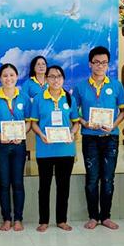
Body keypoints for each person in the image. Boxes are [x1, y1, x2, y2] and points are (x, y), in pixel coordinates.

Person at [72, 46, 124, 230]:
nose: (100, 66)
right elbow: (73, 112)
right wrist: (84, 123)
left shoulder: (116, 85)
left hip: (110, 137)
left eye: (104, 63)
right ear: (90, 64)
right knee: (92, 178)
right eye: (96, 62)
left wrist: (114, 125)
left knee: (108, 178)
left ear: (108, 64)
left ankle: (106, 216)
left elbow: (123, 111)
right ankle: (93, 216)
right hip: (90, 138)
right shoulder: (80, 87)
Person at [30, 65, 80, 232]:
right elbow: (34, 123)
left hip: (66, 150)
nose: (55, 79)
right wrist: (41, 135)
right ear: (46, 79)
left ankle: (61, 220)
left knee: (63, 186)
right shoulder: (39, 98)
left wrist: (72, 133)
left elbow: (76, 122)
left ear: (63, 79)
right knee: (44, 187)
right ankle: (43, 220)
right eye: (51, 76)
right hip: (45, 149)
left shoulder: (69, 98)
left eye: (59, 76)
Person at [0, 63, 30, 232]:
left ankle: (18, 218)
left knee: (18, 182)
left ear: (17, 77)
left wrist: (22, 134)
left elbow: (29, 121)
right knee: (4, 183)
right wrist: (0, 135)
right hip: (0, 145)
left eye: (12, 75)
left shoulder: (24, 97)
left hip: (19, 145)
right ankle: (6, 218)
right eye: (5, 75)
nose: (8, 78)